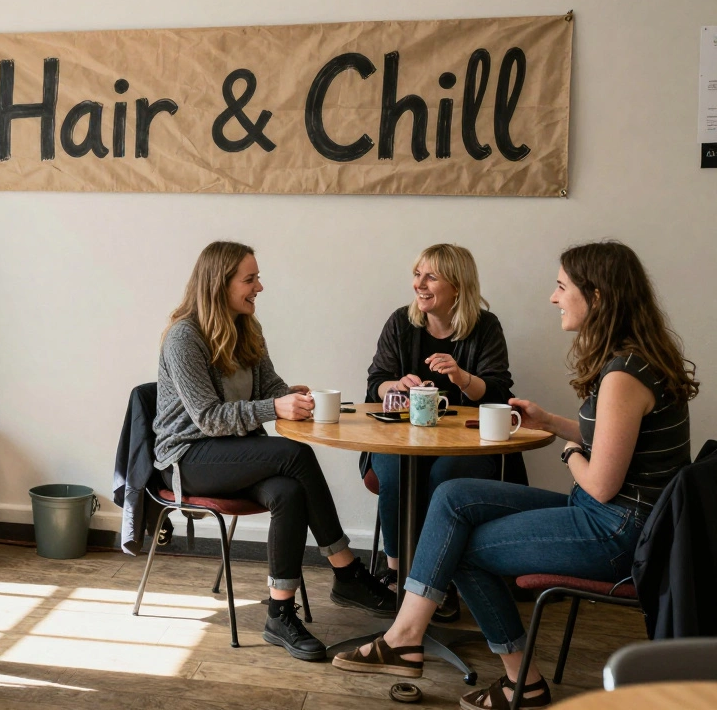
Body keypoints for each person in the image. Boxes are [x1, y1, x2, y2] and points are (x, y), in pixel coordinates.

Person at [333, 241, 698, 710]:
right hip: (615, 517)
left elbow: (603, 483)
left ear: (599, 297)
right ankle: (407, 636)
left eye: (562, 286)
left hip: (616, 530)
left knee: (460, 547)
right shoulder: (635, 361)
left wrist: (568, 451)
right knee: (455, 496)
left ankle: (514, 679)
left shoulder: (623, 375)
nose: (553, 297)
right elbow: (612, 440)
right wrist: (551, 422)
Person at [155, 241, 397, 662]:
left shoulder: (248, 327)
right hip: (188, 457)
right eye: (250, 279)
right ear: (219, 284)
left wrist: (291, 397)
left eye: (257, 277)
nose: (259, 287)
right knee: (294, 455)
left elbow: (268, 389)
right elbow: (209, 419)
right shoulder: (184, 337)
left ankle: (279, 614)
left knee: (287, 491)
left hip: (234, 453)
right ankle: (346, 569)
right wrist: (273, 407)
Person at [364, 243, 521, 620]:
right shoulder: (401, 322)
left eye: (431, 276)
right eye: (417, 274)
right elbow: (375, 385)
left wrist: (461, 377)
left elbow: (499, 391)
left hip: (465, 445)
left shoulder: (486, 326)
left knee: (445, 477)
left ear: (457, 285)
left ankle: (440, 578)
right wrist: (395, 387)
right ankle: (398, 572)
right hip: (405, 437)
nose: (419, 283)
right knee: (393, 469)